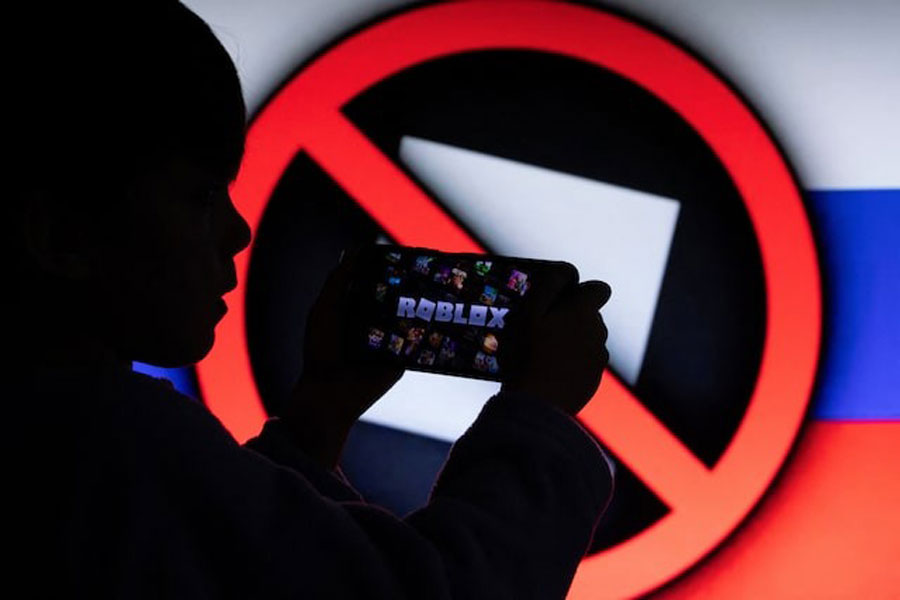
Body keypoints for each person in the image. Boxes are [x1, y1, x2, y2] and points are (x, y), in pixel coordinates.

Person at [6, 3, 614, 598]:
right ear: (61, 237)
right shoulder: (112, 441)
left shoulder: (60, 431)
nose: (237, 231)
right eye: (198, 198)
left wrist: (316, 420)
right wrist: (539, 416)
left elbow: (233, 559)